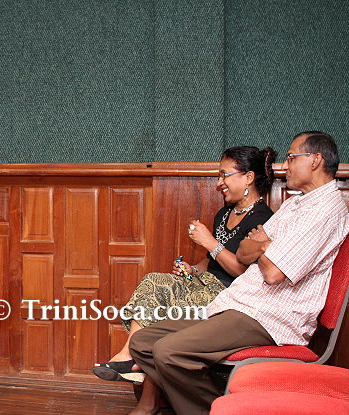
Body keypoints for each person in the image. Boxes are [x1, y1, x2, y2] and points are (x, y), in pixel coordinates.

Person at [115, 131, 349, 415]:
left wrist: (263, 245)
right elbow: (245, 251)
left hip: (269, 318)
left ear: (315, 160)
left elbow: (273, 273)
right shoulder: (295, 205)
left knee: (168, 351)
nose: (284, 165)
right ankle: (223, 410)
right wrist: (264, 247)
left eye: (291, 158)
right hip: (240, 304)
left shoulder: (326, 211)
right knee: (143, 342)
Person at [93, 146, 276, 383]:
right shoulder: (224, 214)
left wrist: (209, 242)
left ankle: (136, 363)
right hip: (204, 282)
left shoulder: (263, 219)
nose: (219, 183)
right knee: (154, 280)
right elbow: (211, 261)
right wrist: (193, 269)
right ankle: (130, 355)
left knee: (168, 306)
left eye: (225, 175)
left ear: (248, 177)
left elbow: (243, 271)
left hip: (230, 296)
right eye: (219, 176)